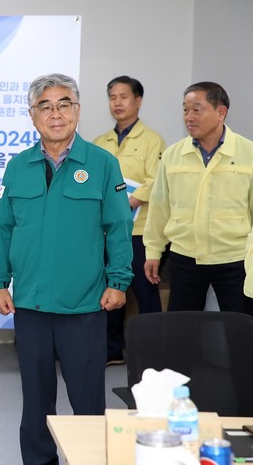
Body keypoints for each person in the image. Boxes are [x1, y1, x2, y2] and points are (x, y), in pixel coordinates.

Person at [0, 73, 133, 465]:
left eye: (64, 104)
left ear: (78, 111)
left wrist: (119, 280)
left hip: (84, 304)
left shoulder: (102, 164)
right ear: (32, 115)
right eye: (45, 106)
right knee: (35, 401)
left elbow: (119, 227)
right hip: (31, 304)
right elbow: (4, 229)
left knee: (87, 401)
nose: (55, 114)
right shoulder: (18, 166)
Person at [144, 81, 253, 315]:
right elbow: (159, 207)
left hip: (235, 259)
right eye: (185, 110)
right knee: (181, 329)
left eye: (197, 109)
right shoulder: (173, 155)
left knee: (240, 328)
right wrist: (153, 251)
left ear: (221, 112)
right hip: (185, 257)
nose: (189, 117)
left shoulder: (248, 153)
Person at [93, 76, 166, 365]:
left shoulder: (152, 140)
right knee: (110, 288)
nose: (117, 103)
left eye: (123, 97)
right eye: (112, 97)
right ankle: (111, 350)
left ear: (138, 100)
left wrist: (126, 204)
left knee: (145, 292)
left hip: (139, 231)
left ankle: (153, 353)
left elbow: (155, 181)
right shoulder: (100, 143)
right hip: (107, 232)